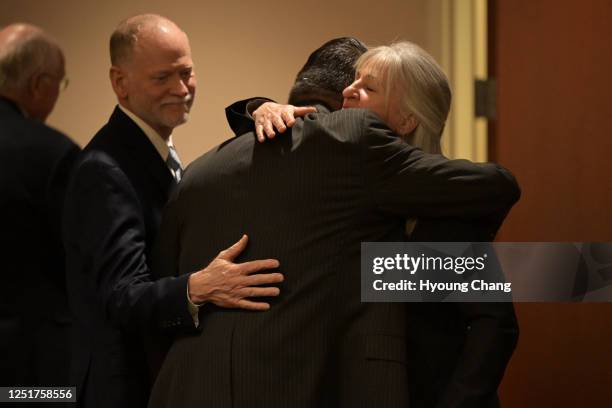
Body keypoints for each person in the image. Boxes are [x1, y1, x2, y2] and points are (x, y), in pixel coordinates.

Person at [148, 37, 520, 408]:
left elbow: (494, 324)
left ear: (408, 117)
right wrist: (259, 108)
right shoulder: (331, 190)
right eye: (352, 81)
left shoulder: (441, 213)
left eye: (367, 87)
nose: (350, 91)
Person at [62, 14, 282, 408]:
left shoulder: (152, 150)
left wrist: (260, 110)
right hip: (122, 390)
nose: (181, 89)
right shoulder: (104, 169)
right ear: (120, 83)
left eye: (187, 73)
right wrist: (201, 286)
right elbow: (121, 296)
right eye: (162, 78)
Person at [0, 23, 79, 387]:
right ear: (38, 84)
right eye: (60, 85)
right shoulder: (52, 154)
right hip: (32, 369)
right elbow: (80, 260)